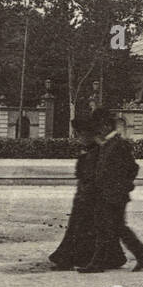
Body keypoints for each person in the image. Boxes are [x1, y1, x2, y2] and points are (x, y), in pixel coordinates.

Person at [77, 107, 143, 273]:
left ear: (105, 126)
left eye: (99, 127)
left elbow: (133, 168)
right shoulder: (109, 144)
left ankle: (98, 263)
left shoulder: (118, 144)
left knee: (109, 227)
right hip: (107, 194)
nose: (97, 131)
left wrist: (122, 187)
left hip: (114, 195)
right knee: (112, 227)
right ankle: (140, 254)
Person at [48, 112, 99, 270]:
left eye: (81, 134)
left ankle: (69, 259)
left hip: (89, 197)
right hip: (84, 196)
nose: (78, 137)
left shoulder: (95, 151)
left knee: (82, 228)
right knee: (82, 228)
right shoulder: (89, 150)